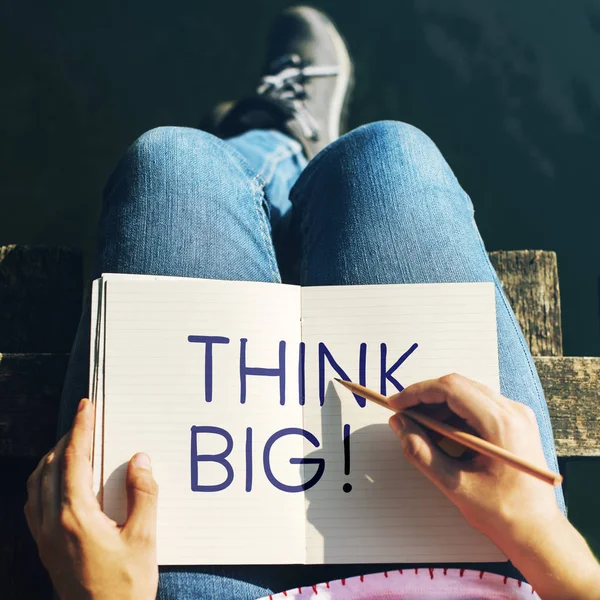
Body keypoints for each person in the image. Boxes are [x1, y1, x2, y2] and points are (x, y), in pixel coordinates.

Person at [23, 6, 600, 599]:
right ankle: (284, 154)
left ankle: (267, 149)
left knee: (173, 164)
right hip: (477, 578)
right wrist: (548, 538)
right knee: (387, 155)